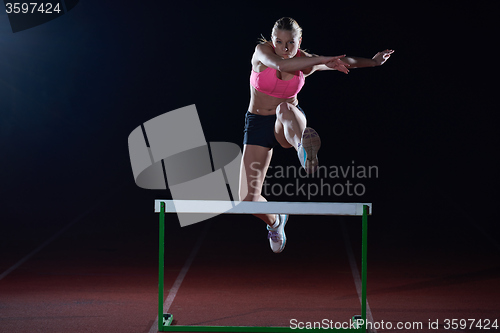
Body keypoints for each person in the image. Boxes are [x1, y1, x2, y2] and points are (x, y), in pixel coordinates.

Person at [239, 17, 394, 253]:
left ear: (299, 41)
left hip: (288, 121)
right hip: (258, 123)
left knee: (284, 108)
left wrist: (373, 62)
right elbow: (279, 65)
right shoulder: (262, 52)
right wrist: (321, 60)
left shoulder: (305, 62)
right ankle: (276, 221)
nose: (285, 48)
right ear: (272, 41)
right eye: (279, 42)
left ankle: (303, 150)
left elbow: (345, 62)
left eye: (290, 43)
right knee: (248, 202)